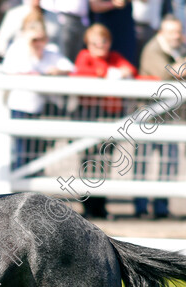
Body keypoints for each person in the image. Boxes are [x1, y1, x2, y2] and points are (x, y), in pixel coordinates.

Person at [135, 14, 186, 218]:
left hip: (169, 117)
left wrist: (185, 68)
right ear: (161, 32)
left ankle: (161, 206)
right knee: (143, 161)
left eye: (178, 32)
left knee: (169, 161)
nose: (175, 36)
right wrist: (185, 67)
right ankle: (141, 206)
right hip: (149, 115)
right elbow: (167, 74)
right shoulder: (153, 49)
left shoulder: (182, 49)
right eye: (171, 32)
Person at [73, 23, 136, 219]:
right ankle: (88, 206)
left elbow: (129, 68)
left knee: (105, 161)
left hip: (110, 115)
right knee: (89, 160)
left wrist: (119, 72)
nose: (100, 46)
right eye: (95, 42)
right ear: (88, 43)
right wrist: (106, 73)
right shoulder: (85, 56)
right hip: (91, 113)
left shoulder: (115, 57)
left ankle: (101, 205)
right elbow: (81, 73)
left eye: (103, 41)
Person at [2, 19, 74, 171]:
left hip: (42, 108)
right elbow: (9, 70)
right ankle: (18, 188)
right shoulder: (17, 50)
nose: (39, 43)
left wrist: (57, 71)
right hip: (20, 106)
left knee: (37, 152)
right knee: (21, 151)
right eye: (35, 39)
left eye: (42, 39)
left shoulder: (51, 52)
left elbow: (70, 68)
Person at [89, 0, 138, 67]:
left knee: (127, 64)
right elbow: (94, 6)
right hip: (105, 28)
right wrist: (112, 4)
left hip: (125, 29)